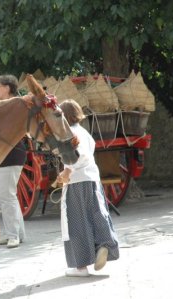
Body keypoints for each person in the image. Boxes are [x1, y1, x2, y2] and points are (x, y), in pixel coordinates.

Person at [57, 99, 119, 277]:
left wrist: (67, 171)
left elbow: (79, 155)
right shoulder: (83, 132)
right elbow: (88, 152)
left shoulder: (70, 134)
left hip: (77, 182)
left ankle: (81, 266)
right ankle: (105, 244)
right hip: (92, 178)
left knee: (77, 222)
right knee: (97, 214)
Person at [0, 75, 27, 249]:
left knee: (6, 196)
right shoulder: (7, 104)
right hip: (5, 155)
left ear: (7, 88)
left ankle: (13, 235)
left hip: (11, 155)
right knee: (6, 196)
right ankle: (17, 233)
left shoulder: (14, 105)